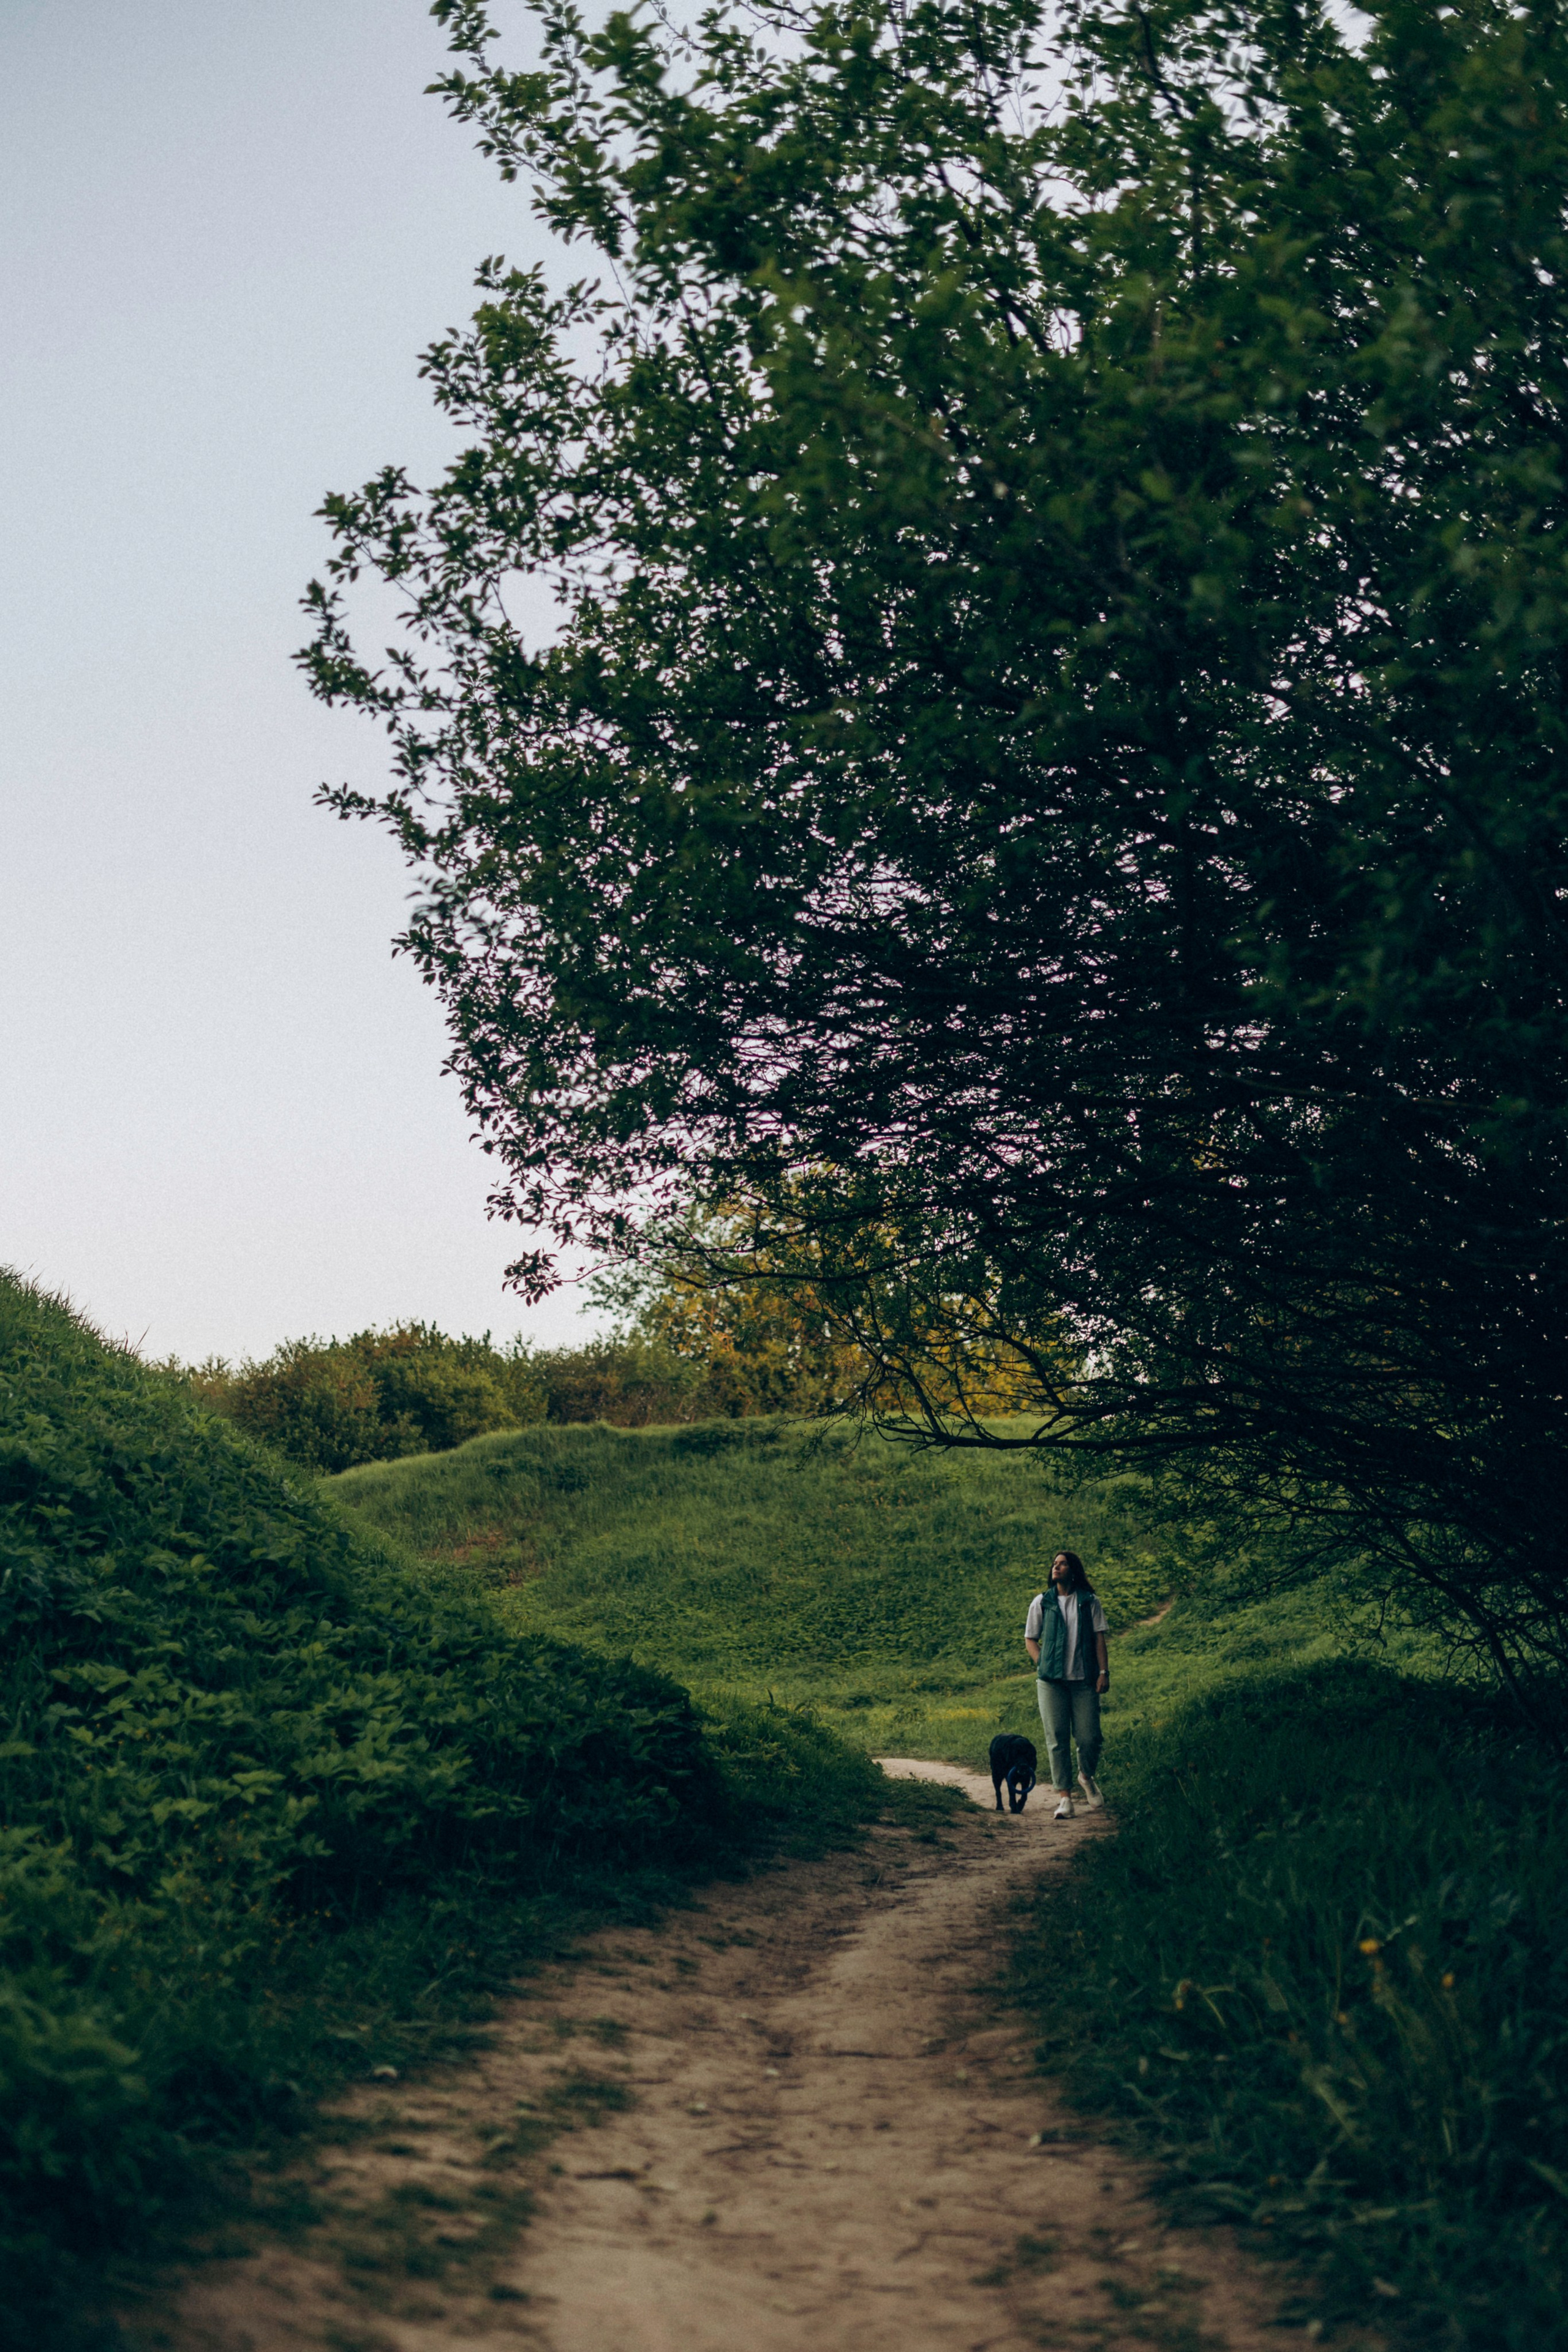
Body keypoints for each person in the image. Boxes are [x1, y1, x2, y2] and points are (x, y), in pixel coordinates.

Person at [1023, 1550, 1109, 1820]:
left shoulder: (1089, 1602)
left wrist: (1104, 1672)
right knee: (1057, 1740)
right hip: (1052, 1684)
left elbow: (1099, 1640)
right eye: (1054, 1564)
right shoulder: (1042, 1602)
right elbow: (1030, 1639)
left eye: (1062, 1564)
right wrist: (1043, 1665)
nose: (1056, 1567)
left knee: (1090, 1738)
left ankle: (1086, 1776)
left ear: (1074, 1570)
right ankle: (1065, 1799)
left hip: (1084, 1681)